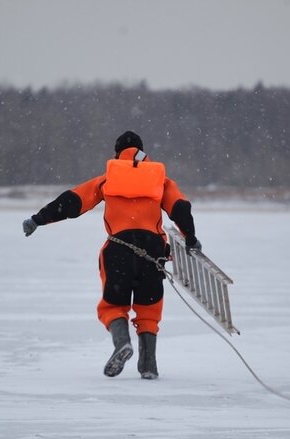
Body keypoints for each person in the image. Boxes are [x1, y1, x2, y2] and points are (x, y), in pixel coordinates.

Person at [22, 131, 201, 379]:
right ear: (142, 152)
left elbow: (72, 201)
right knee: (149, 309)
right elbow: (180, 208)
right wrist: (190, 237)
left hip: (119, 247)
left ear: (117, 153)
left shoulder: (108, 179)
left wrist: (38, 219)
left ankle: (121, 343)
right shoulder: (160, 179)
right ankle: (148, 365)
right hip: (153, 251)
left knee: (113, 305)